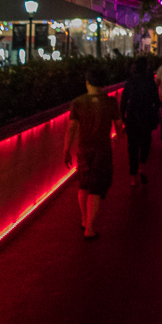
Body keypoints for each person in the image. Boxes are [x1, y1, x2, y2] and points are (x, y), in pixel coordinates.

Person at [63, 66, 123, 240]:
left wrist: (66, 150)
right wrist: (118, 137)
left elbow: (72, 127)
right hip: (102, 149)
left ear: (87, 82)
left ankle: (83, 218)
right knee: (96, 188)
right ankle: (90, 227)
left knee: (83, 184)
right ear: (103, 83)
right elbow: (118, 124)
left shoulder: (78, 102)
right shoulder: (111, 102)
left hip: (83, 149)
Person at [120, 56, 159, 185]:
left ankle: (133, 177)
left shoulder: (130, 81)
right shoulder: (150, 82)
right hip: (146, 115)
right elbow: (156, 100)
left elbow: (124, 100)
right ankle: (142, 167)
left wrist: (122, 116)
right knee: (145, 143)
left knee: (132, 146)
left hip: (132, 116)